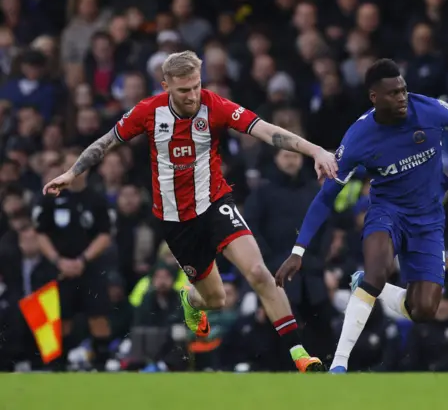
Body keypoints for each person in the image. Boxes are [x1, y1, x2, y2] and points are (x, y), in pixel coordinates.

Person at [42, 50, 338, 373]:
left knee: (257, 272)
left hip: (215, 204)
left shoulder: (215, 106)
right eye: (184, 90)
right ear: (165, 85)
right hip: (176, 223)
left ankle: (299, 354)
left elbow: (267, 131)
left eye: (196, 86)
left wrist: (315, 150)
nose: (192, 95)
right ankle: (191, 301)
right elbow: (106, 142)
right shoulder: (148, 112)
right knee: (215, 299)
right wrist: (72, 173)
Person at [275, 58, 448, 373]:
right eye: (393, 93)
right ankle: (339, 365)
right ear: (374, 97)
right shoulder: (358, 138)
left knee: (424, 309)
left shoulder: (429, 110)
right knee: (377, 272)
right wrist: (298, 250)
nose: (401, 98)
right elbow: (326, 196)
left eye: (403, 90)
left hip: (428, 219)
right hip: (387, 212)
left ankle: (371, 286)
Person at [35, 149, 113, 370]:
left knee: (98, 317)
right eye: (71, 167)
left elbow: (105, 234)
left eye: (80, 166)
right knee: (61, 321)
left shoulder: (96, 199)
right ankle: (58, 370)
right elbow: (40, 233)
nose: (76, 172)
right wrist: (59, 261)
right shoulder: (51, 196)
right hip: (59, 269)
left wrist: (82, 260)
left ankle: (102, 367)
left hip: (89, 267)